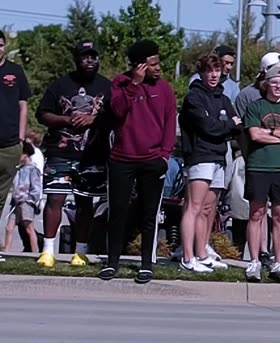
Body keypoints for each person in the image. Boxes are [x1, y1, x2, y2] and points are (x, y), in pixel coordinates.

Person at [100, 40, 176, 284]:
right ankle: (112, 263)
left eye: (158, 62)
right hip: (122, 159)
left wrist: (164, 155)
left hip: (153, 160)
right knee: (118, 212)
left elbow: (169, 124)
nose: (158, 67)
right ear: (139, 66)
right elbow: (118, 111)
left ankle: (146, 264)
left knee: (149, 213)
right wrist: (134, 85)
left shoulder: (164, 89)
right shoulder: (120, 84)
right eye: (152, 64)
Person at [37, 39, 111, 268]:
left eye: (93, 57)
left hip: (92, 155)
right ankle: (48, 251)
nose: (89, 61)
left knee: (85, 203)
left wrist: (93, 119)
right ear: (77, 59)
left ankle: (80, 252)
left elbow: (115, 116)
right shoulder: (60, 85)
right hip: (60, 151)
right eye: (84, 57)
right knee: (55, 199)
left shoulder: (107, 87)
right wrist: (68, 120)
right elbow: (43, 114)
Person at [178, 53, 240, 274]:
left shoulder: (223, 98)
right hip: (200, 156)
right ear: (201, 72)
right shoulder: (194, 97)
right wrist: (226, 125)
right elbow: (208, 127)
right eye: (209, 71)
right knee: (193, 206)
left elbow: (238, 124)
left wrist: (225, 124)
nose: (214, 75)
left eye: (217, 71)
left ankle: (202, 253)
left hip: (219, 156)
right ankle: (187, 256)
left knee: (208, 208)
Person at [242, 64, 280, 282]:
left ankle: (278, 262)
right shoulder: (255, 107)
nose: (278, 86)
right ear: (266, 83)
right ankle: (255, 261)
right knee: (257, 213)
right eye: (274, 81)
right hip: (258, 166)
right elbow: (254, 135)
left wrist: (271, 132)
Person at [0, 33, 31, 209]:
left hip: (10, 146)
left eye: (1, 45)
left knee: (1, 199)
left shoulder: (15, 71)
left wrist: (20, 140)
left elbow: (23, 106)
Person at [12, 141, 40, 252]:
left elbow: (36, 188)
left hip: (27, 202)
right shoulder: (20, 169)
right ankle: (6, 252)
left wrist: (30, 200)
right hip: (17, 201)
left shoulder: (32, 169)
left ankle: (35, 251)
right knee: (9, 227)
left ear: (25, 154)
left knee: (29, 228)